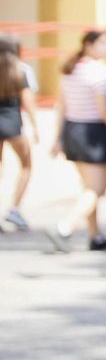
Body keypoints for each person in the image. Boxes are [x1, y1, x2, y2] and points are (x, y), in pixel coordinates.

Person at [44, 30, 106, 253]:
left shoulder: (71, 70)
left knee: (88, 187)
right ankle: (65, 227)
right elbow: (104, 110)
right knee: (97, 189)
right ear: (89, 45)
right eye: (102, 44)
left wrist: (58, 137)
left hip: (73, 130)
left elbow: (62, 107)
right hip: (92, 131)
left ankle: (95, 236)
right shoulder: (99, 72)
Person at [0, 34, 39, 233]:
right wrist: (35, 126)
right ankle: (14, 208)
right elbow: (29, 102)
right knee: (26, 164)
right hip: (12, 124)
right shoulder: (20, 71)